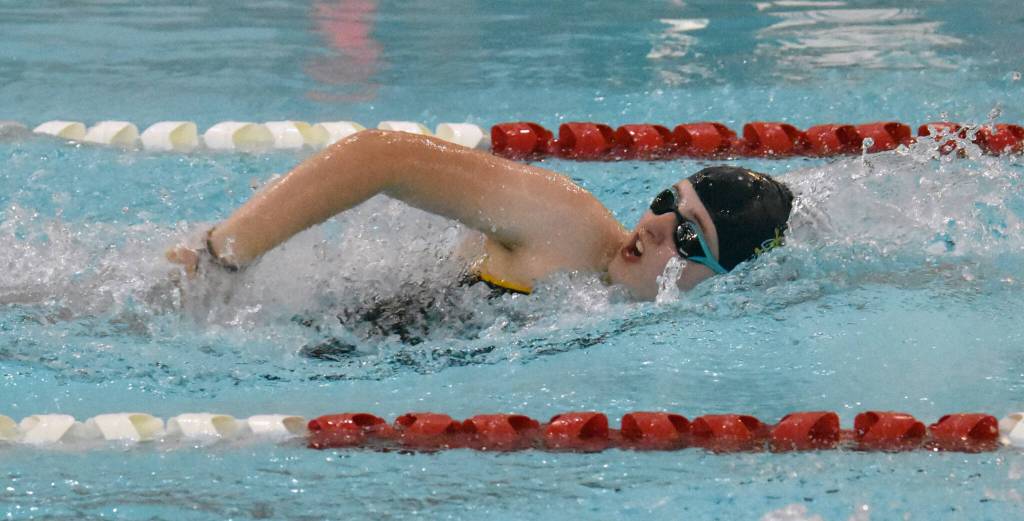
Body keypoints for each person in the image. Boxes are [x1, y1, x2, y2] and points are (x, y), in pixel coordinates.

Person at [166, 129, 794, 302]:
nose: (654, 224)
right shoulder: (565, 224)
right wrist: (222, 258)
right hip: (264, 329)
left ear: (721, 279)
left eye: (685, 234)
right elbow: (385, 156)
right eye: (665, 201)